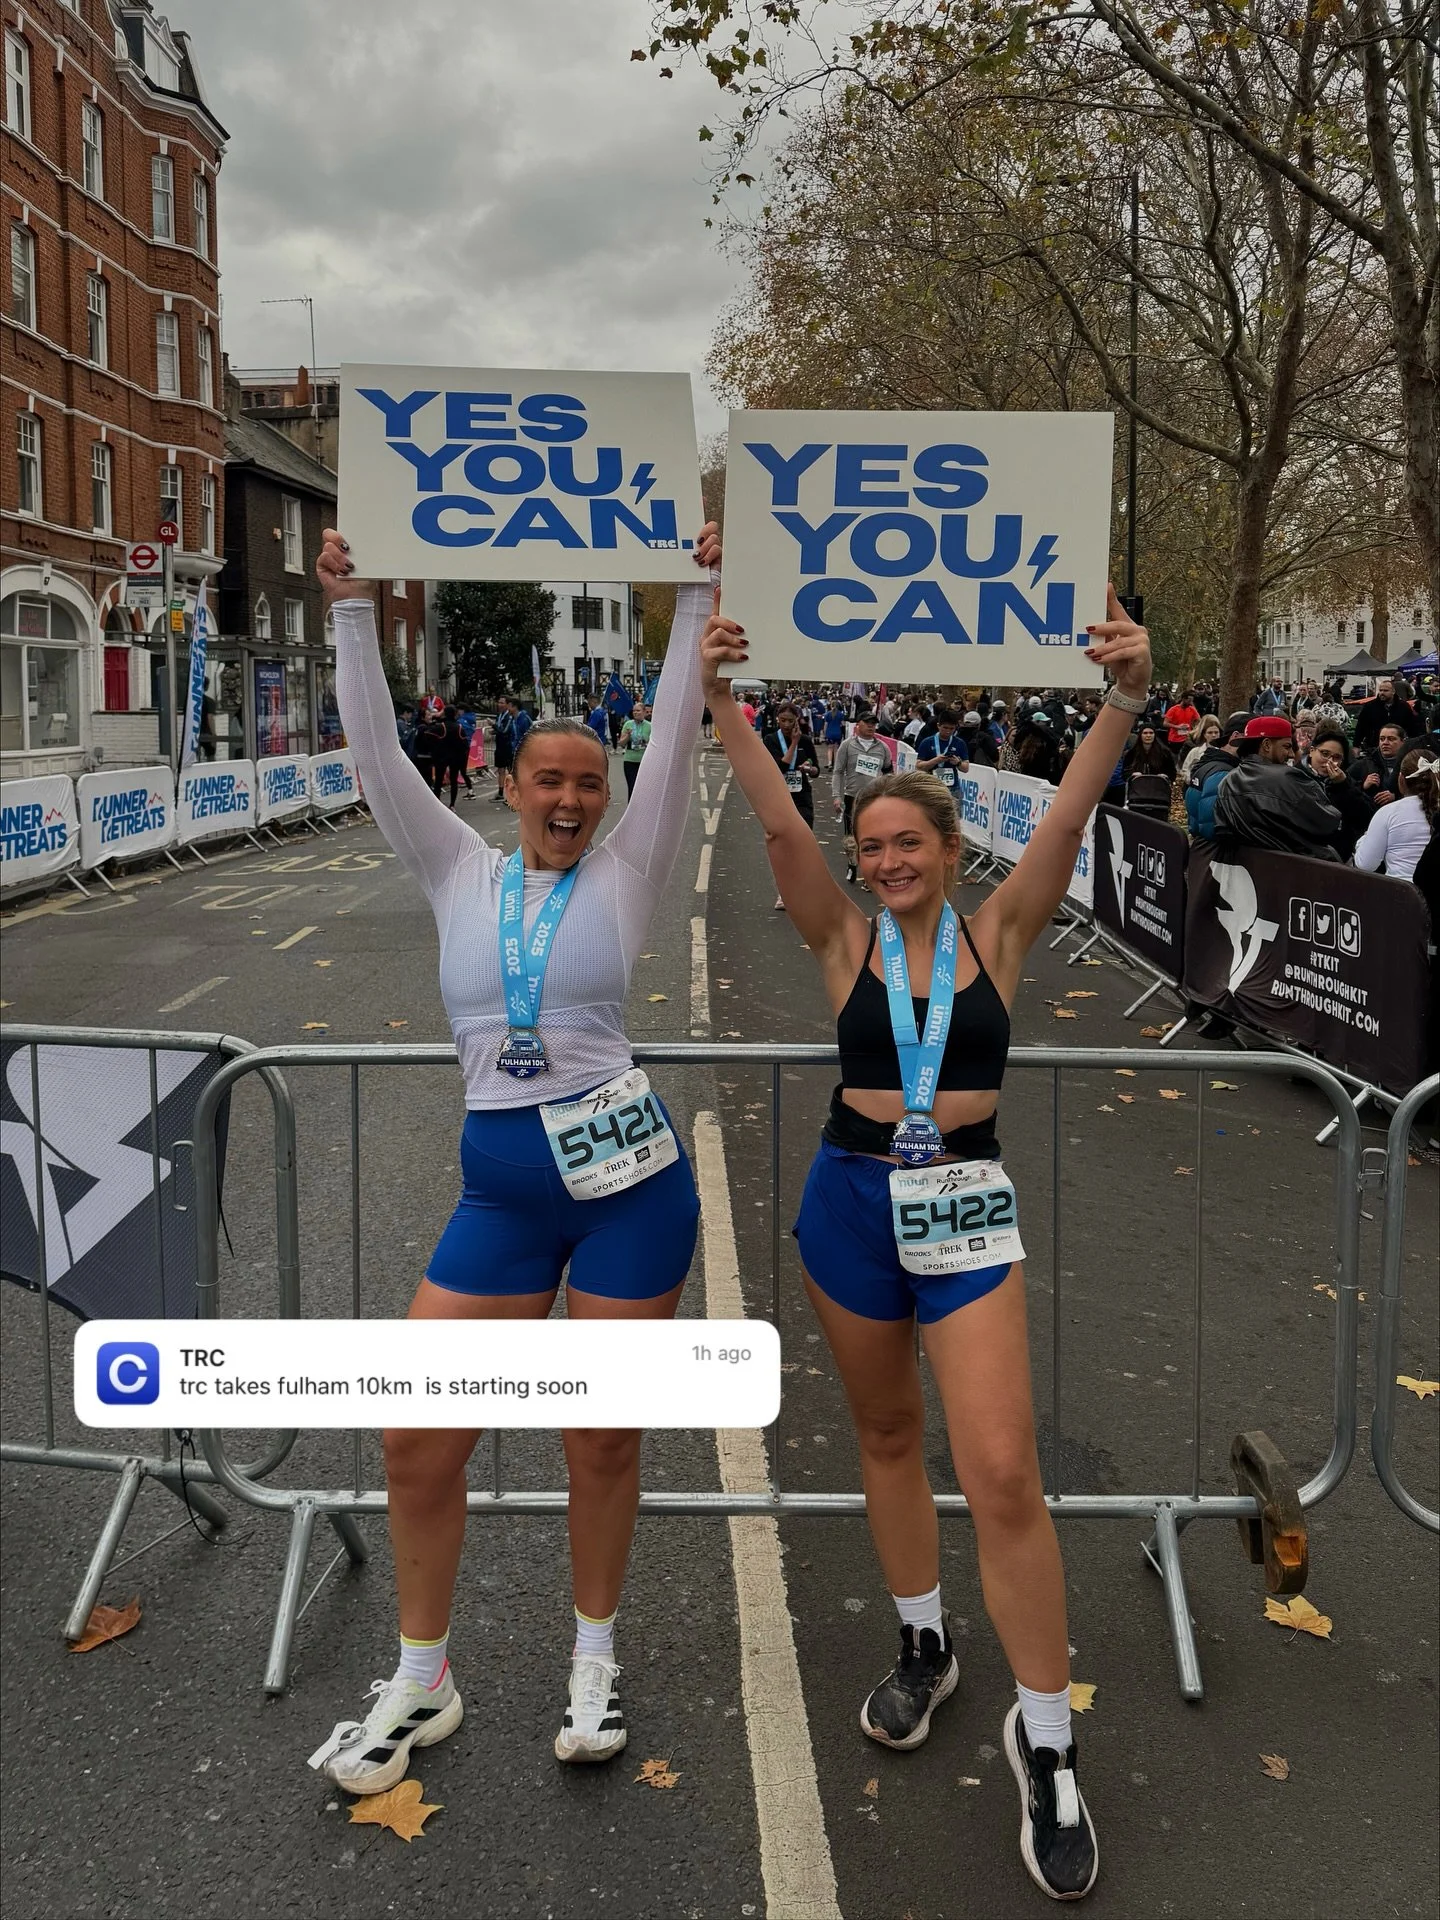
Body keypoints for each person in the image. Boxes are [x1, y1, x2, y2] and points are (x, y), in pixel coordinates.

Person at [700, 584, 1156, 1904]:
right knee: (888, 1437)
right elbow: (779, 823)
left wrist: (1126, 692)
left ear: (951, 849)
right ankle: (922, 1644)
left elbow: (1068, 812)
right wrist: (720, 695)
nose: (886, 859)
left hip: (963, 1204)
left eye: (909, 842)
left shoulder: (998, 934)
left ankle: (1049, 1741)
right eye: (873, 846)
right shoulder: (841, 941)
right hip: (849, 1198)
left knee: (1004, 1467)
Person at [306, 520, 722, 1796]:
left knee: (600, 1438)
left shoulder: (634, 864)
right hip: (504, 1193)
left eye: (589, 783)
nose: (570, 798)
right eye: (548, 779)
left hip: (628, 1198)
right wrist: (355, 613)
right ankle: (423, 1678)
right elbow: (376, 763)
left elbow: (671, 727)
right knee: (419, 1439)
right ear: (507, 786)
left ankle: (594, 1656)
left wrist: (697, 595)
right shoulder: (455, 871)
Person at [1214, 717, 1341, 859]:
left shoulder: (1226, 782)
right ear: (1267, 745)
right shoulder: (1287, 778)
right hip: (1300, 871)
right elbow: (1329, 823)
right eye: (1286, 746)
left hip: (1249, 871)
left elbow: (1222, 833)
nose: (1292, 754)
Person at [765, 704, 821, 909]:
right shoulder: (771, 740)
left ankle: (801, 890)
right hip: (779, 798)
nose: (787, 725)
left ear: (797, 719)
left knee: (803, 844)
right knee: (783, 846)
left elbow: (816, 770)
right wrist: (794, 743)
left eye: (790, 720)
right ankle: (784, 892)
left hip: (802, 796)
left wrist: (809, 768)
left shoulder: (806, 740)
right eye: (783, 720)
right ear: (777, 720)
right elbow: (781, 766)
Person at [1353, 749, 1438, 882]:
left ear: (1401, 779)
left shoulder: (1388, 813)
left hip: (1401, 895)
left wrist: (1363, 840)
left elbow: (1365, 865)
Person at [831, 711, 895, 885]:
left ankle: (870, 875)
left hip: (875, 800)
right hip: (852, 797)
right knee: (851, 837)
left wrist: (890, 795)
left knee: (874, 837)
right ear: (858, 725)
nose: (871, 726)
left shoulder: (882, 748)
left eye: (874, 724)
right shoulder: (847, 746)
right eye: (867, 723)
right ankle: (852, 864)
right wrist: (837, 796)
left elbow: (889, 772)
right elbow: (838, 771)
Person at [1305, 732, 1373, 861]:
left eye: (1336, 758)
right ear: (1312, 751)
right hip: (1306, 855)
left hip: (1339, 856)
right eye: (1324, 754)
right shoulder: (1297, 776)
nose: (1330, 762)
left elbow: (1366, 816)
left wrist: (1343, 786)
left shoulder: (1345, 780)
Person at [1184, 713, 1250, 842]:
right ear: (1236, 736)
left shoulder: (1208, 762)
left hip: (1202, 846)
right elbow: (1211, 826)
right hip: (1215, 851)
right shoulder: (1222, 773)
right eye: (1252, 740)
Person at [1352, 677, 1420, 756]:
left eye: (1385, 690)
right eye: (1380, 690)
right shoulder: (1369, 706)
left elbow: (1412, 727)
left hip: (1398, 748)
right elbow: (1361, 727)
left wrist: (1413, 744)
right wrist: (1356, 745)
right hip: (1374, 747)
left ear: (1393, 691)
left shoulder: (1403, 706)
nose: (1382, 693)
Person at [1351, 721, 1409, 805]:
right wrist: (1362, 786)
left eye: (1391, 739)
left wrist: (1396, 797)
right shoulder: (1364, 764)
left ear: (1403, 741)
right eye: (1382, 739)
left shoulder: (1411, 764)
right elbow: (1345, 788)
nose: (1385, 743)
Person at [915, 709, 971, 791]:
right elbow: (919, 766)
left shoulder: (960, 743)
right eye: (945, 728)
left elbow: (966, 768)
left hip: (952, 787)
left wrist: (958, 763)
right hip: (930, 787)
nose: (948, 731)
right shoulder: (927, 742)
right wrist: (935, 761)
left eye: (951, 728)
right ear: (938, 726)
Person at [618, 700, 652, 799]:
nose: (635, 713)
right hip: (630, 761)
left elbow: (654, 745)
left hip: (644, 761)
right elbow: (621, 744)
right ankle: (632, 812)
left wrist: (646, 742)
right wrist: (628, 736)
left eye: (638, 710)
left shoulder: (649, 726)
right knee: (632, 788)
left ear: (644, 712)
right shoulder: (628, 724)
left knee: (644, 789)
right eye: (634, 711)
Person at [1179, 715, 1222, 782]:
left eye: (1216, 732)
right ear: (1204, 734)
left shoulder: (1222, 752)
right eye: (1210, 733)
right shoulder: (1195, 752)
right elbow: (1185, 771)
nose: (1213, 735)